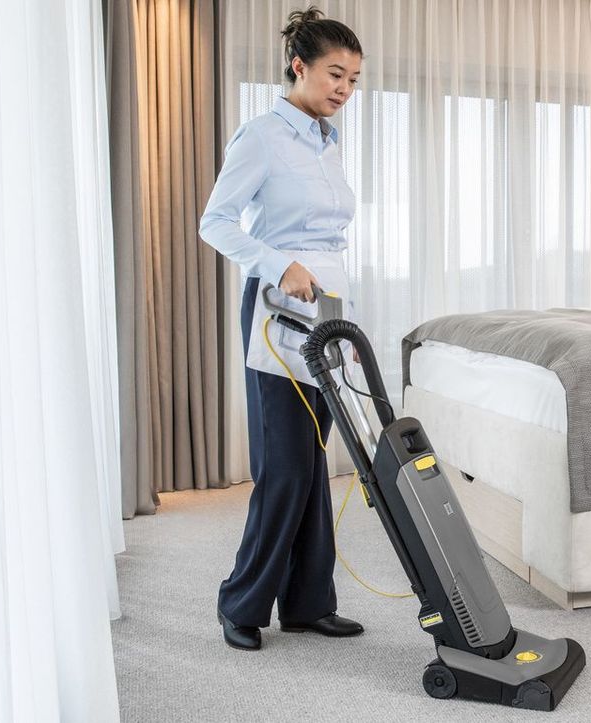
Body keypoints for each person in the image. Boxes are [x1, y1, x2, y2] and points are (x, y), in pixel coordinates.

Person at [198, 7, 364, 652]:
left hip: (329, 306)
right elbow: (216, 222)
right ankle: (240, 602)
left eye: (353, 80)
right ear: (299, 66)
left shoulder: (327, 142)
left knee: (313, 460)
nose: (344, 89)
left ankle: (307, 603)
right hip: (277, 308)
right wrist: (278, 264)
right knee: (286, 466)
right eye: (334, 74)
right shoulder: (261, 136)